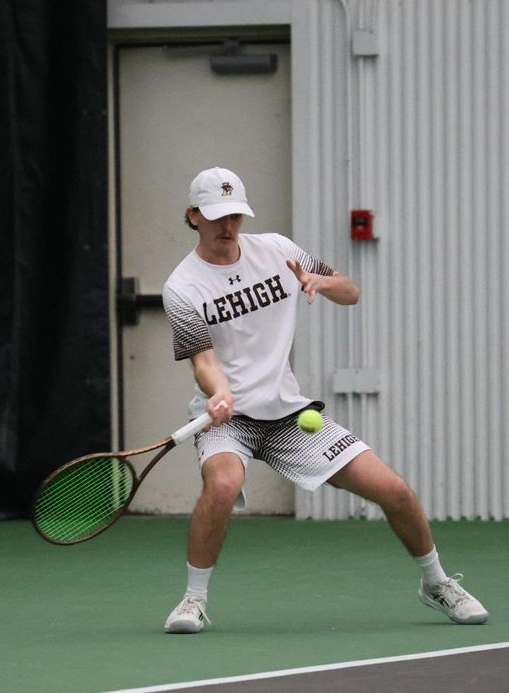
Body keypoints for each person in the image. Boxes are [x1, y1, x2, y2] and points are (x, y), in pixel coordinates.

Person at [159, 166, 488, 634]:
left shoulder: (278, 250)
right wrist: (220, 391)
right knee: (224, 485)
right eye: (215, 215)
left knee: (392, 489)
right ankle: (193, 600)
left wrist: (320, 283)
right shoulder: (182, 287)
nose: (227, 225)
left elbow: (350, 290)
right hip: (228, 417)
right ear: (193, 215)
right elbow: (204, 360)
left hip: (290, 413)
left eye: (235, 214)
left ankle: (436, 583)